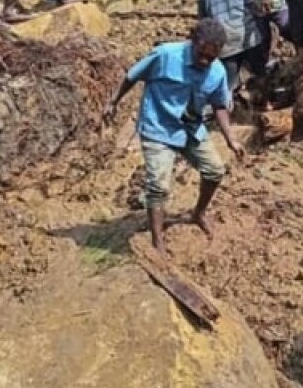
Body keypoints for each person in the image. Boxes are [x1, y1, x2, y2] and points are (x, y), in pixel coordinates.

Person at [103, 20, 244, 252]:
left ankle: (198, 214)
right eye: (201, 55)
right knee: (158, 186)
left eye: (211, 57)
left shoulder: (217, 71)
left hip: (190, 129)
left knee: (215, 170)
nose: (205, 62)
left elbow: (219, 105)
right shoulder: (165, 55)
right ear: (193, 42)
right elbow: (132, 76)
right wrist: (113, 102)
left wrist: (230, 138)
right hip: (158, 127)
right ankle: (157, 241)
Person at [198, 0, 264, 94]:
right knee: (259, 74)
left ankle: (226, 110)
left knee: (228, 85)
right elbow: (252, 5)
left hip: (226, 45)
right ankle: (264, 104)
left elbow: (204, 24)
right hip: (248, 37)